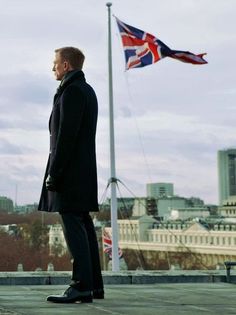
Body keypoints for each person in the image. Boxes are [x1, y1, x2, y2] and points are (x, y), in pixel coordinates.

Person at [38, 46, 104, 303]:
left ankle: (80, 286)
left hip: (70, 172)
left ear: (66, 65)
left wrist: (55, 173)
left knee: (74, 227)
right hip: (82, 171)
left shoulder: (72, 91)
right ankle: (93, 286)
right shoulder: (85, 90)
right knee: (84, 226)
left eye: (55, 63)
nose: (52, 67)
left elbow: (66, 137)